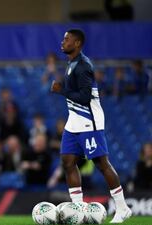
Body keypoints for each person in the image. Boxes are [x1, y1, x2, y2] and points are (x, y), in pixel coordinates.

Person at [50, 29, 131, 223]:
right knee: (68, 162)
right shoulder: (72, 63)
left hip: (89, 121)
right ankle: (77, 208)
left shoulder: (83, 65)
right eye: (63, 39)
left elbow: (85, 97)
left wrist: (62, 91)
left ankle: (122, 208)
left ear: (77, 43)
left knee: (101, 164)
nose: (63, 42)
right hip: (74, 122)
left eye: (67, 39)